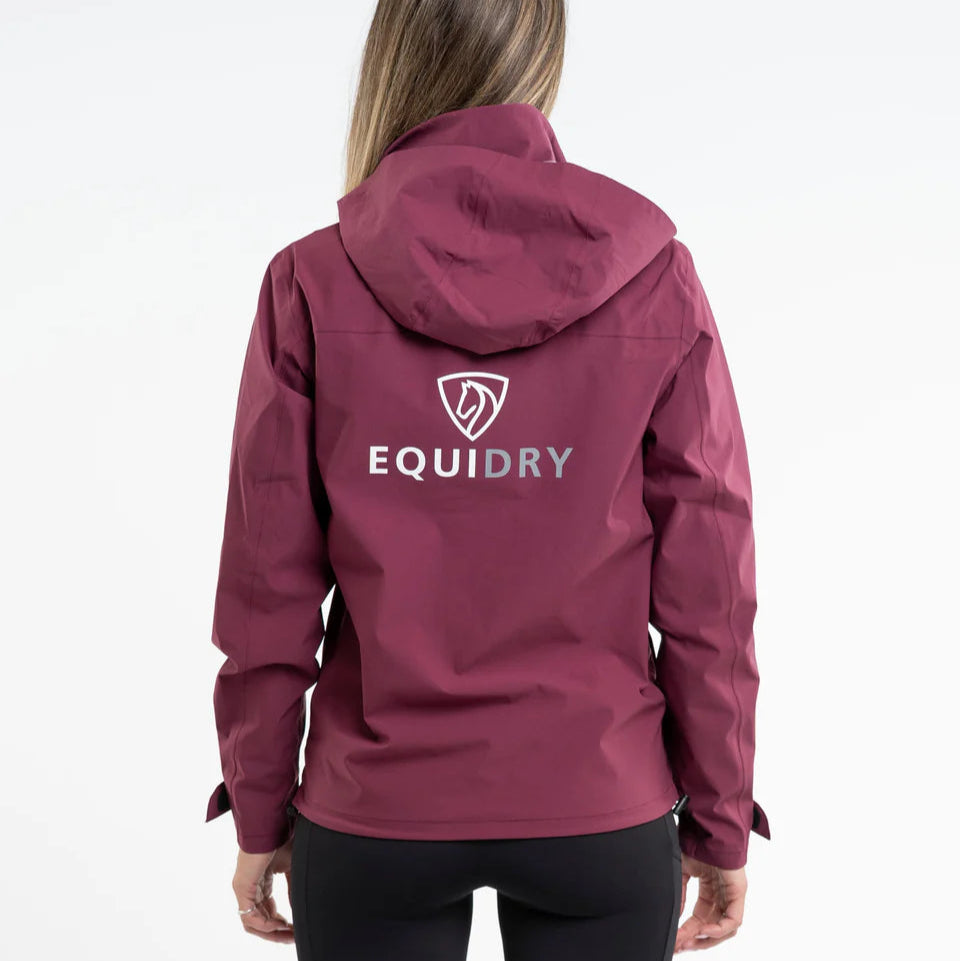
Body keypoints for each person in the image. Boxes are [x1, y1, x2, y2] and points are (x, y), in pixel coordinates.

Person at [203, 1, 771, 958]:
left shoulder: (310, 282)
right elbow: (711, 587)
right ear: (539, 64)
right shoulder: (654, 279)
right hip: (597, 800)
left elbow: (268, 590)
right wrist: (720, 814)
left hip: (375, 807)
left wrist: (260, 807)